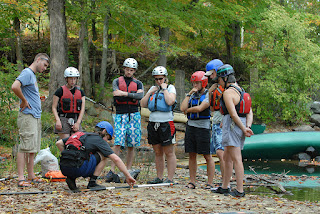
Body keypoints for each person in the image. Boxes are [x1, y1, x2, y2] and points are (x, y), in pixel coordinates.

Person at [56, 121, 136, 192]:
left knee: (79, 157)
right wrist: (128, 176)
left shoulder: (81, 134)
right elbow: (116, 159)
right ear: (104, 131)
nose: (106, 141)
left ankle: (71, 178)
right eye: (107, 138)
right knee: (104, 156)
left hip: (64, 167)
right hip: (78, 168)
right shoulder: (99, 140)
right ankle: (92, 183)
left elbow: (59, 143)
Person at [212, 64, 253, 197]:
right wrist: (248, 126)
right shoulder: (241, 91)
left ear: (224, 78)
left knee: (236, 158)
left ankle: (240, 190)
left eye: (219, 79)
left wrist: (244, 129)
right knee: (227, 157)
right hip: (239, 124)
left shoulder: (228, 93)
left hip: (233, 125)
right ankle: (225, 186)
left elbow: (233, 114)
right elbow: (249, 112)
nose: (218, 82)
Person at [11, 53, 50, 187]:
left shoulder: (32, 76)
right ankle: (21, 178)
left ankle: (31, 175)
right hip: (27, 116)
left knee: (32, 148)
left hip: (35, 116)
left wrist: (36, 99)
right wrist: (23, 100)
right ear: (38, 60)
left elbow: (27, 91)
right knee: (24, 147)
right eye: (44, 65)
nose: (45, 68)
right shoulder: (27, 72)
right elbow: (15, 86)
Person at [107, 58, 144, 182]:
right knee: (118, 142)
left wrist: (125, 94)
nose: (129, 72)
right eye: (127, 69)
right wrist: (127, 95)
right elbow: (115, 93)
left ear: (134, 71)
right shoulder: (116, 81)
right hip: (120, 114)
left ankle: (128, 170)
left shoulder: (138, 83)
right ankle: (112, 170)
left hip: (134, 115)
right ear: (124, 69)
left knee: (131, 144)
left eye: (132, 70)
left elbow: (140, 96)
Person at [140, 66, 177, 184]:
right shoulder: (153, 88)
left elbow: (170, 101)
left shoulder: (171, 88)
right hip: (153, 122)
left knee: (169, 152)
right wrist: (150, 92)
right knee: (157, 151)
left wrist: (164, 89)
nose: (158, 81)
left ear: (165, 78)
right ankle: (159, 177)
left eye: (160, 78)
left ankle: (170, 178)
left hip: (166, 123)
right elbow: (142, 103)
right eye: (156, 79)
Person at [180, 71, 215, 189]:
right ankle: (192, 181)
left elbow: (200, 108)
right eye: (194, 83)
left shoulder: (208, 94)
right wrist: (189, 94)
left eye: (197, 83)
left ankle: (210, 183)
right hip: (191, 127)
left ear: (203, 83)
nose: (195, 85)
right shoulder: (192, 95)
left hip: (203, 128)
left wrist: (188, 111)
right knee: (192, 154)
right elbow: (182, 108)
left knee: (207, 155)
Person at [204, 59, 225, 180]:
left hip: (222, 121)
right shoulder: (215, 88)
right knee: (219, 151)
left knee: (221, 152)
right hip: (216, 120)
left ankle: (225, 179)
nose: (211, 77)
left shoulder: (226, 87)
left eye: (212, 74)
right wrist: (211, 92)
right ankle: (224, 178)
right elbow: (212, 108)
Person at [52, 67, 85, 139]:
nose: (73, 81)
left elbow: (82, 108)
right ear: (66, 79)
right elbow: (54, 107)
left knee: (77, 141)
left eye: (74, 79)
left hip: (76, 119)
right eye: (71, 79)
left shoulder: (81, 92)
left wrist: (78, 123)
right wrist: (58, 120)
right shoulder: (60, 91)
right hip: (63, 118)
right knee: (65, 142)